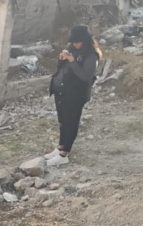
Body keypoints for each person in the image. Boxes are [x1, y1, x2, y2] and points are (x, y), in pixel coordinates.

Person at [46, 25, 102, 167]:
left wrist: (72, 61)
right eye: (73, 42)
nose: (75, 44)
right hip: (62, 90)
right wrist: (62, 58)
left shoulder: (92, 56)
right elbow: (61, 68)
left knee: (71, 122)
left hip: (76, 94)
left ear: (85, 41)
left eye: (78, 42)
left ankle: (64, 154)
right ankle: (60, 147)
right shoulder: (72, 49)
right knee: (63, 120)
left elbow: (85, 76)